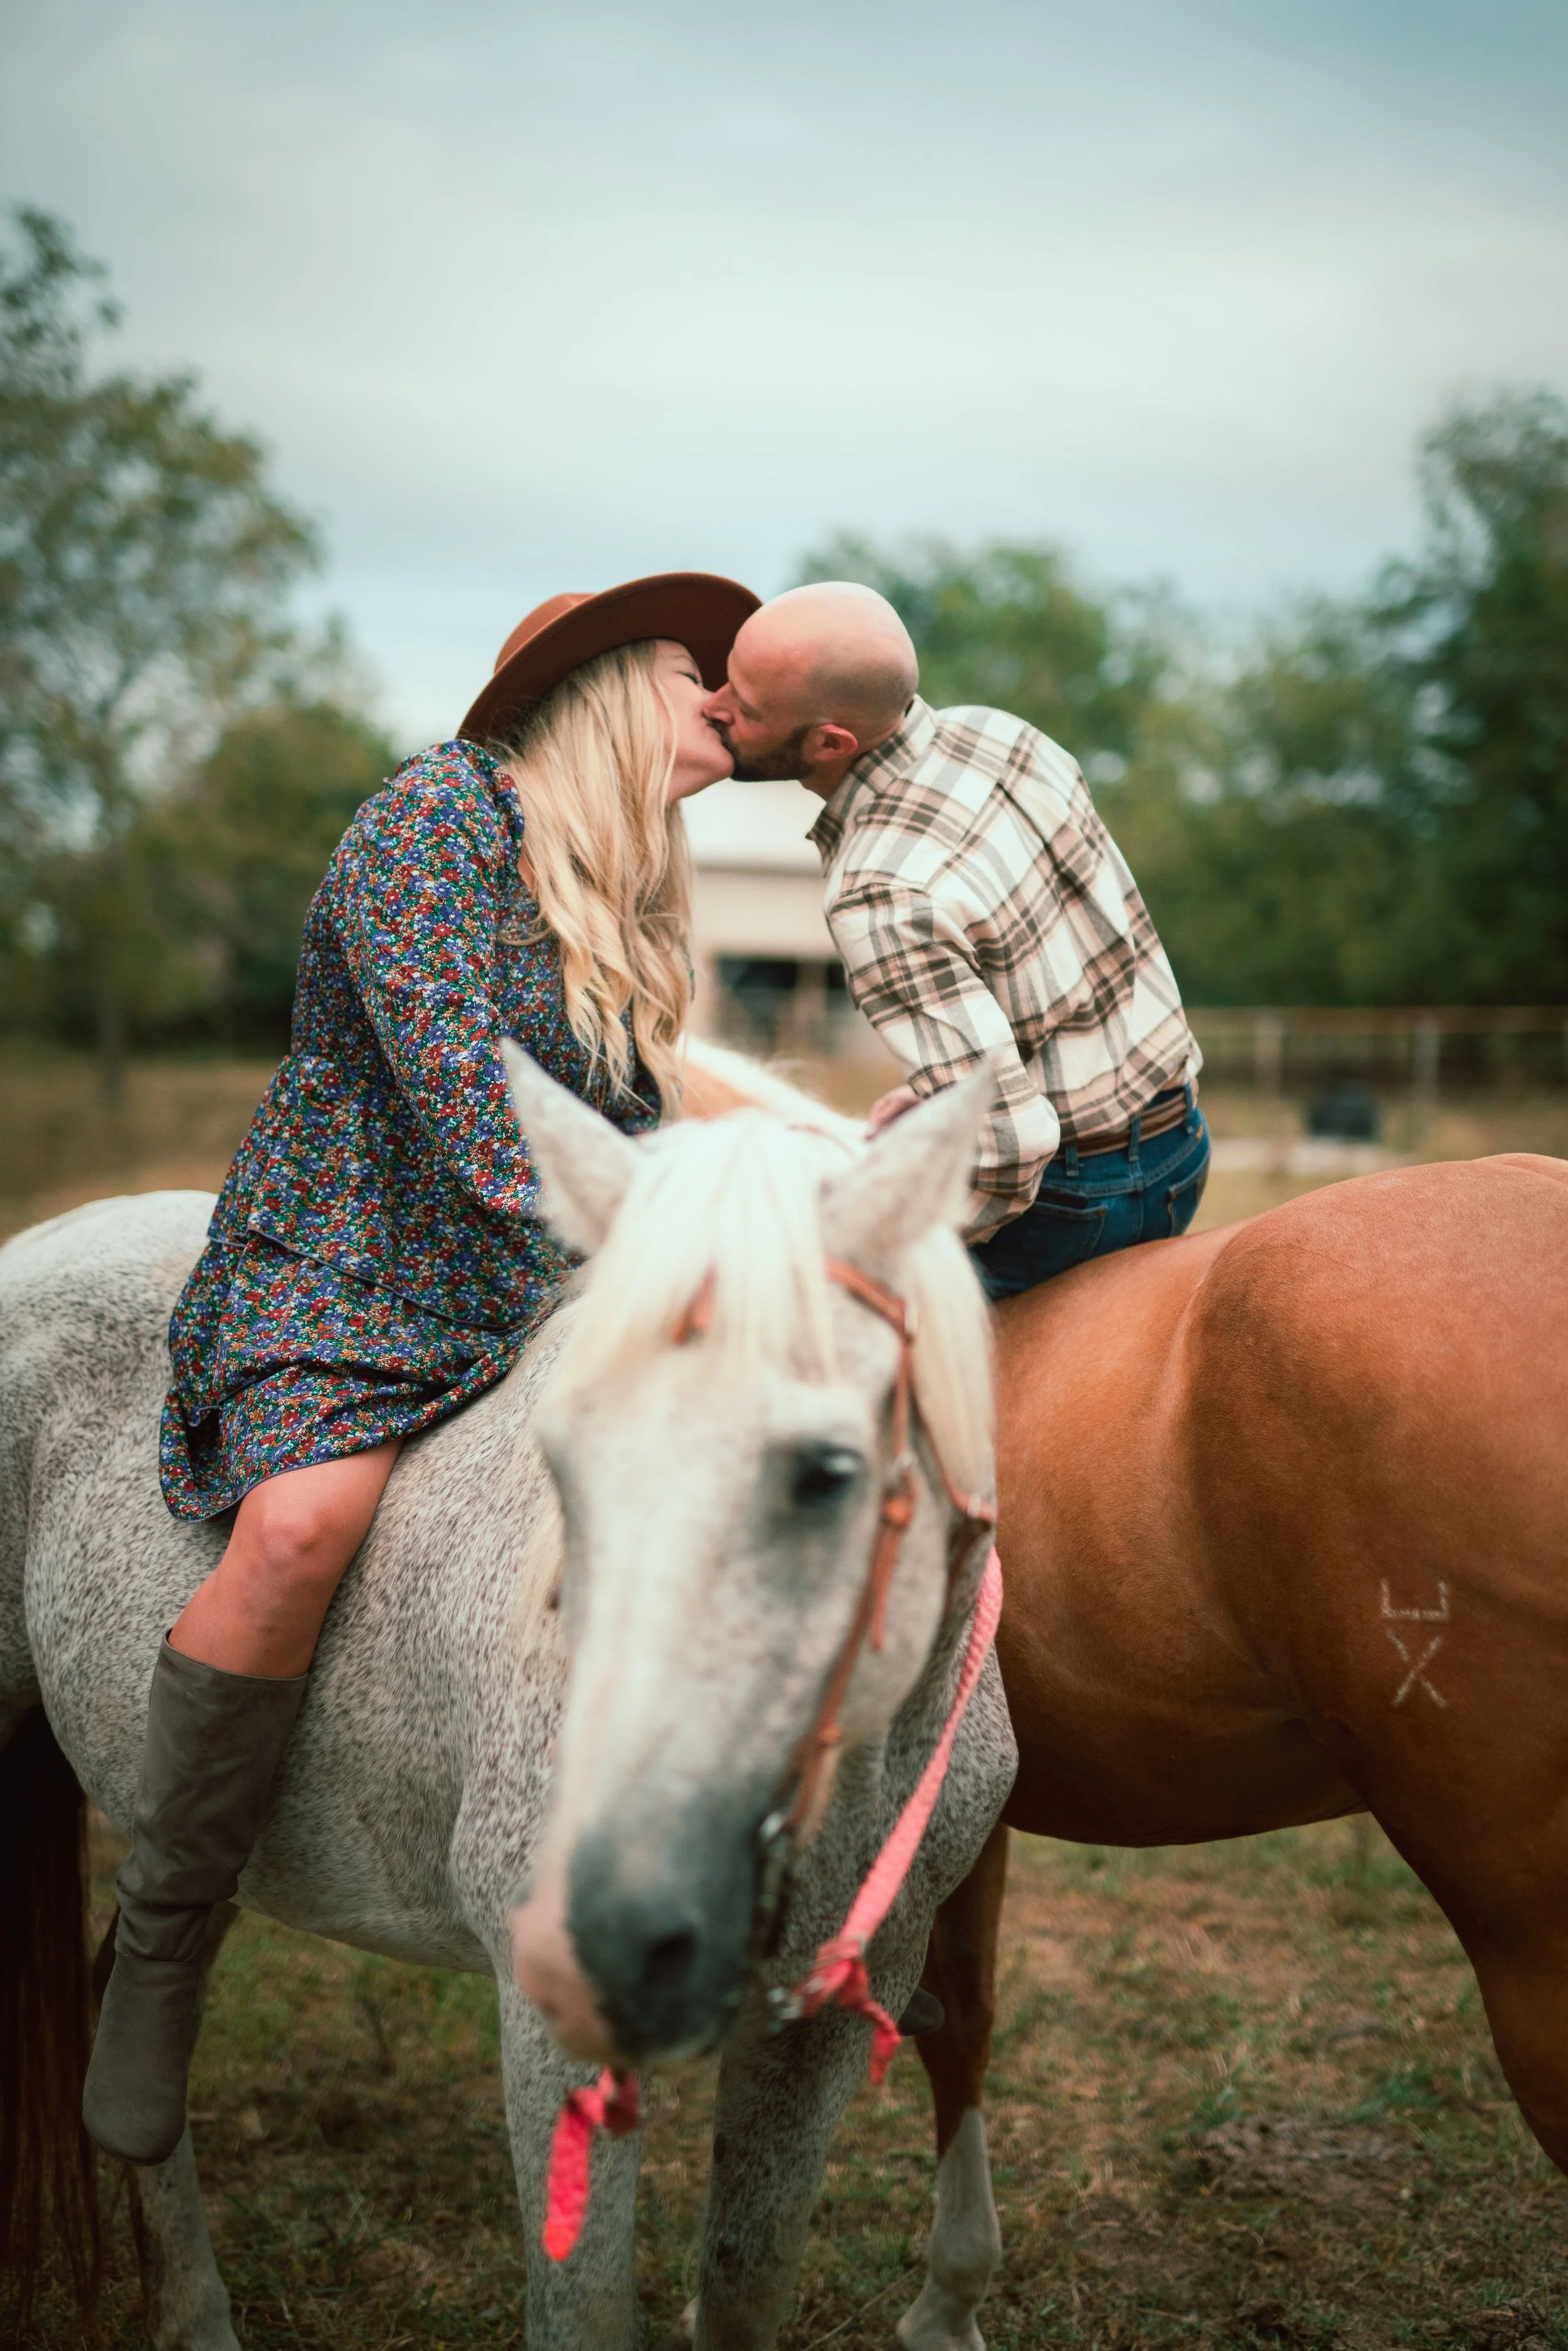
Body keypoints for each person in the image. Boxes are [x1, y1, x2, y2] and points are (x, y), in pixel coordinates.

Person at [85, 571, 758, 2167]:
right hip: (346, 1274)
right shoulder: (433, 818)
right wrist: (655, 1229)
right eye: (695, 670)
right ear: (593, 684)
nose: (728, 694)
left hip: (519, 1286)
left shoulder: (629, 881)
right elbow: (473, 1104)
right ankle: (163, 1940)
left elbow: (654, 1105)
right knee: (303, 1524)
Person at [702, 581, 1208, 1304]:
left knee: (784, 1308)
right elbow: (1080, 975)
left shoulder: (877, 890)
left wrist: (881, 1240)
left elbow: (1008, 1155)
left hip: (1072, 1203)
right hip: (1181, 1143)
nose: (714, 705)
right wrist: (939, 1091)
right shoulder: (1002, 735)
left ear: (828, 744)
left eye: (746, 707)